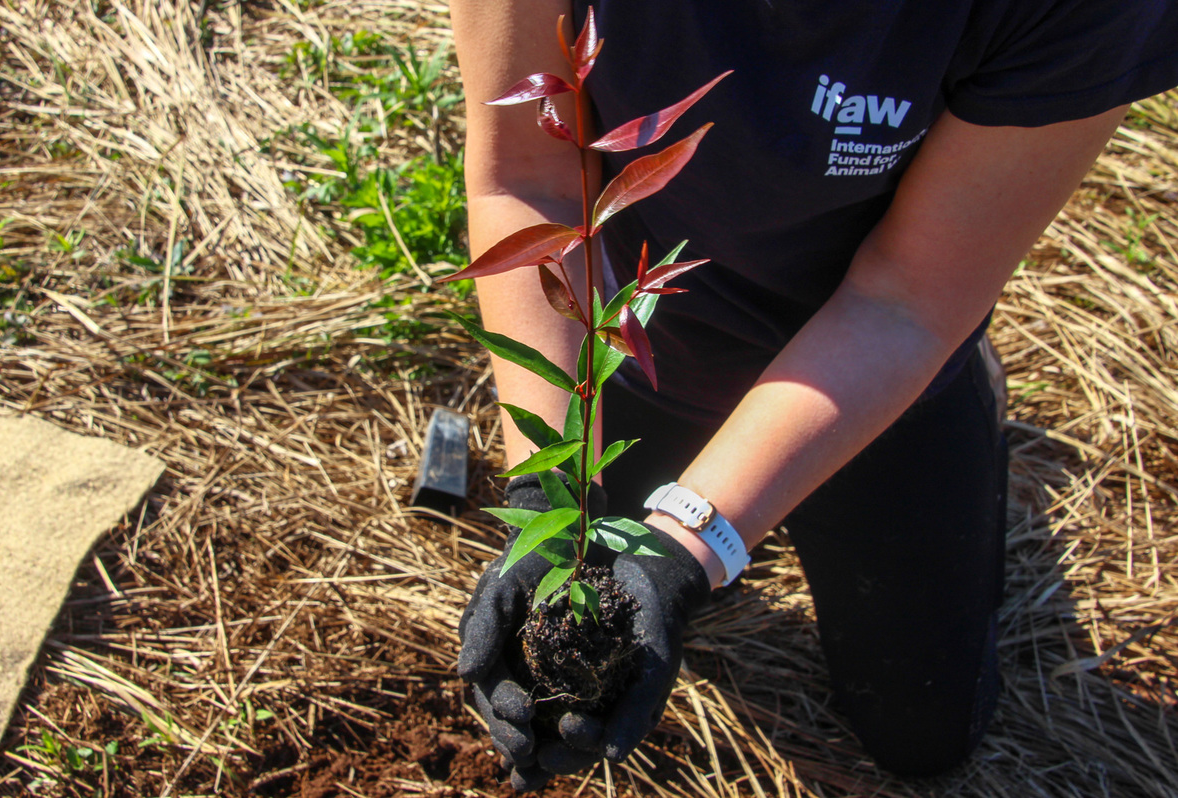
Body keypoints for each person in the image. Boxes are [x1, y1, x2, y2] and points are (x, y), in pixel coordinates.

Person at [449, 0, 1178, 789]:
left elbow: (909, 301)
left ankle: (976, 389)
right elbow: (528, 175)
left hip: (870, 365)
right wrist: (545, 491)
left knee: (924, 739)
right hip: (638, 347)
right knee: (575, 618)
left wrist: (684, 548)